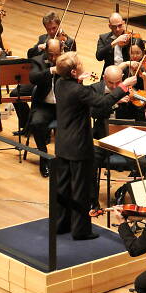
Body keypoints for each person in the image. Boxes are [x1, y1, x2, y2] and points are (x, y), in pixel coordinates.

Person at [54, 51, 136, 239]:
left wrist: (78, 81)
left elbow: (75, 98)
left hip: (63, 143)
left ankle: (61, 224)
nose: (82, 64)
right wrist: (123, 86)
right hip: (79, 146)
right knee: (81, 189)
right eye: (79, 64)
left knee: (63, 187)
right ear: (74, 72)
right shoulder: (79, 91)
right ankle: (81, 231)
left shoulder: (61, 84)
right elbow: (103, 102)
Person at [91, 65, 146, 208]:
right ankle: (92, 202)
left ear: (122, 79)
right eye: (111, 83)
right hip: (102, 138)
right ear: (104, 79)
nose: (115, 87)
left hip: (125, 138)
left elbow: (140, 118)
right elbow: (93, 113)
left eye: (118, 83)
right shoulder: (95, 89)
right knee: (90, 161)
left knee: (144, 162)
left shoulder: (130, 91)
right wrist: (114, 102)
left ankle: (127, 192)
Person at [28, 38, 63, 178]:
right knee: (36, 124)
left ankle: (64, 160)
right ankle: (44, 158)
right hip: (44, 105)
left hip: (62, 106)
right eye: (50, 54)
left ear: (62, 51)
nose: (54, 58)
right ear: (46, 51)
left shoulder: (67, 61)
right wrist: (50, 70)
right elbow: (33, 78)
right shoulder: (38, 60)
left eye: (57, 54)